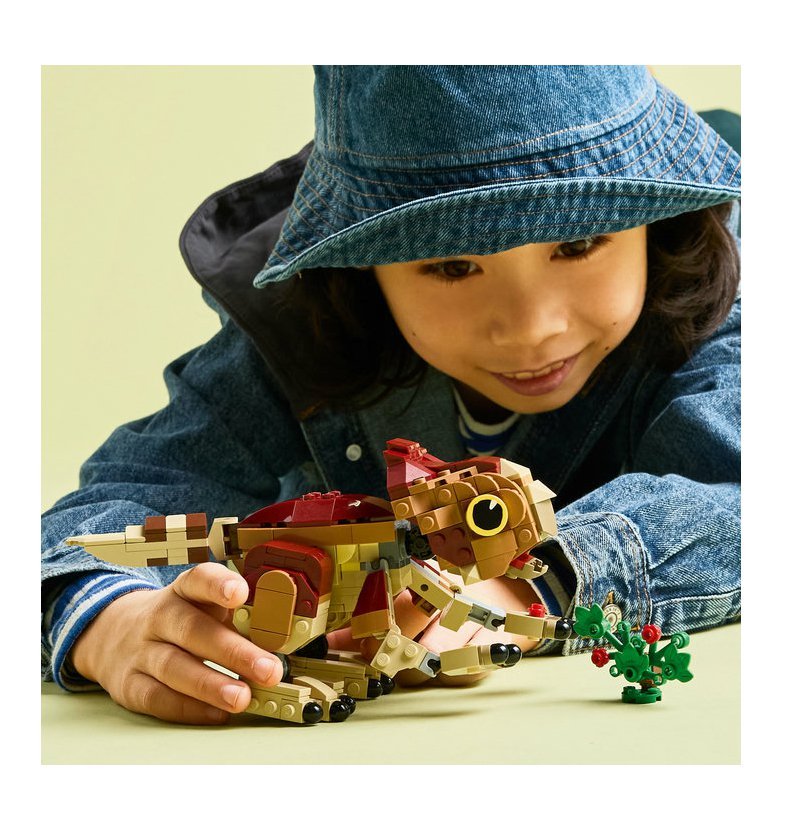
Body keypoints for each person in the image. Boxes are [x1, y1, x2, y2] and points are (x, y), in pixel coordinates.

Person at [41, 65, 741, 725]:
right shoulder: (306, 330)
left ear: (658, 222)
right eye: (452, 265)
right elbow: (114, 505)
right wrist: (110, 617)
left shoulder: (725, 304)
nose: (531, 329)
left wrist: (527, 583)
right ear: (362, 267)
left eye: (579, 243)